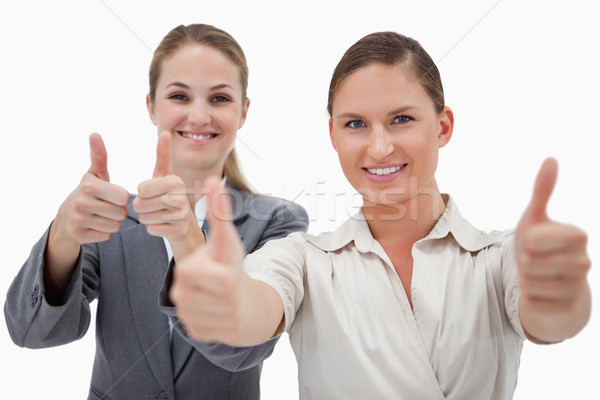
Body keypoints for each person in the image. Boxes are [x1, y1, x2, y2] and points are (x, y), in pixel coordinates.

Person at [163, 31, 592, 399]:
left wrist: (557, 292)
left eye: (401, 119)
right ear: (332, 134)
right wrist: (190, 246)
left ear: (443, 127)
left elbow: (552, 320)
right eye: (355, 124)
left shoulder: (501, 257)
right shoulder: (304, 260)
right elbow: (248, 313)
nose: (379, 147)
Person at [4, 23, 308, 400]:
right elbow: (30, 333)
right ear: (151, 106)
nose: (199, 116)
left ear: (244, 112)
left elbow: (243, 350)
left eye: (219, 99)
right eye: (180, 96)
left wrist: (187, 241)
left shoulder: (279, 221)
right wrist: (63, 234)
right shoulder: (110, 217)